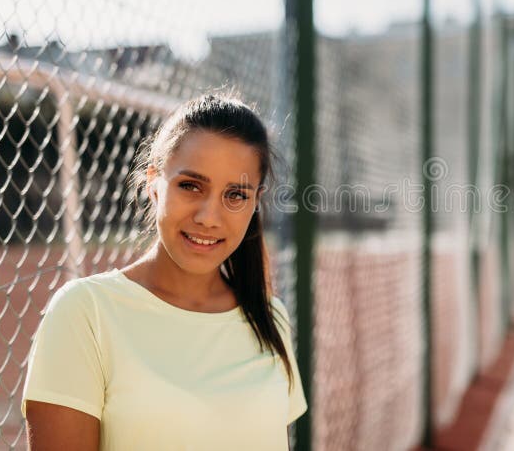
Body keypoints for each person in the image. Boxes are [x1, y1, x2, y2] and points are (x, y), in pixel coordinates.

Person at [22, 93, 307, 450]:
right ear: (154, 183)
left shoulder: (271, 318)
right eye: (190, 186)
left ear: (255, 203)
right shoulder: (85, 313)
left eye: (235, 195)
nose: (208, 217)